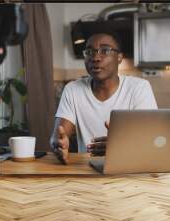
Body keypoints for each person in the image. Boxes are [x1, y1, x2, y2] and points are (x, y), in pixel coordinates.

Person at [50, 32, 157, 164]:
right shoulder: (73, 89)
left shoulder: (139, 88)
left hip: (130, 168)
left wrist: (122, 145)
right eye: (89, 51)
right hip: (87, 171)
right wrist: (59, 145)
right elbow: (58, 136)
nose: (95, 57)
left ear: (119, 57)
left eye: (105, 50)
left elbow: (150, 138)